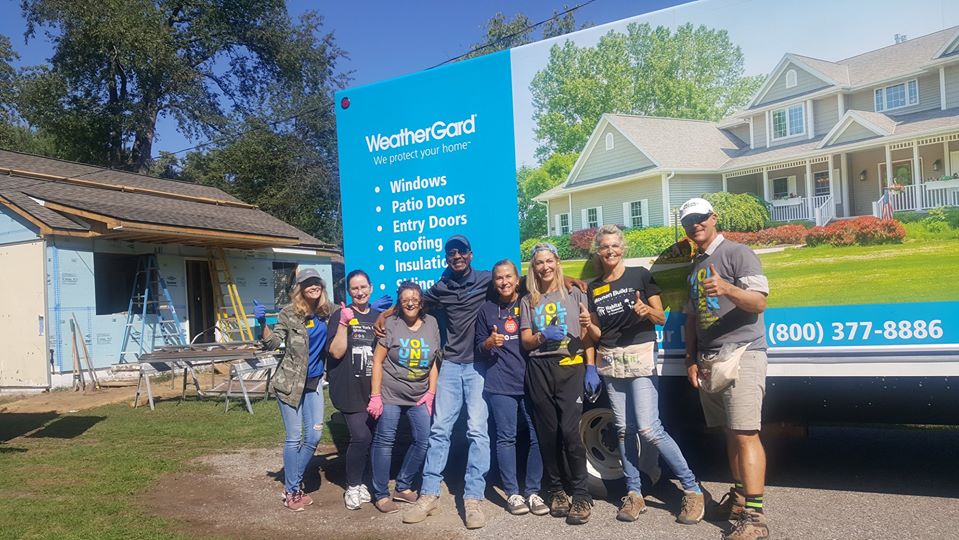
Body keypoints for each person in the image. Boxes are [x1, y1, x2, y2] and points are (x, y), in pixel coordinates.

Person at [584, 225, 705, 524]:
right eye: (604, 247)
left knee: (650, 429)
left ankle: (692, 489)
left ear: (622, 247)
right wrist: (588, 323)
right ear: (598, 251)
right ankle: (634, 493)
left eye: (614, 246)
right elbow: (601, 333)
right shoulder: (594, 287)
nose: (610, 251)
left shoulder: (639, 275)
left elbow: (661, 317)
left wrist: (645, 311)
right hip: (611, 359)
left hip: (639, 355)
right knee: (624, 430)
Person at [680, 198, 770, 540]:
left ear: (713, 218)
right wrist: (690, 358)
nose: (695, 225)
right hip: (710, 358)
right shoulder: (695, 265)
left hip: (742, 353)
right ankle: (740, 497)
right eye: (689, 221)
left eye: (701, 219)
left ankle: (755, 517)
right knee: (731, 433)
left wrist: (728, 288)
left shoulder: (738, 253)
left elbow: (759, 301)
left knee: (746, 432)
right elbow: (691, 318)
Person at [401, 235, 493, 530]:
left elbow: (524, 282)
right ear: (446, 258)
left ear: (470, 254)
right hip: (451, 366)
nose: (457, 256)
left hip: (478, 365)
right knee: (440, 431)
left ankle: (474, 498)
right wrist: (385, 316)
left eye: (461, 251)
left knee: (478, 431)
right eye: (451, 252)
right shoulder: (441, 287)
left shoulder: (486, 280)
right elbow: (413, 303)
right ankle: (428, 495)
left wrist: (570, 282)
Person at [519, 242, 599, 526]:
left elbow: (587, 334)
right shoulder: (528, 300)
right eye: (539, 262)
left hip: (570, 365)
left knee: (570, 432)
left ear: (556, 261)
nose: (544, 267)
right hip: (539, 367)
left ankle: (580, 494)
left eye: (549, 261)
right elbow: (526, 341)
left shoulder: (576, 292)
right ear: (533, 267)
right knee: (548, 433)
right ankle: (556, 491)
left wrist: (591, 367)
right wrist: (542, 336)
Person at [473, 259, 548, 517]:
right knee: (506, 438)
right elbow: (477, 349)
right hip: (500, 384)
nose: (504, 282)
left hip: (531, 381)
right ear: (494, 283)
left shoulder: (529, 302)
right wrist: (488, 343)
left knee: (537, 437)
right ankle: (513, 493)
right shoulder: (486, 310)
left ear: (518, 280)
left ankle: (534, 492)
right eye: (499, 278)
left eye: (508, 277)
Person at [256, 268, 333, 512]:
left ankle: (292, 483)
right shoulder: (288, 314)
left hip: (314, 383)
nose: (313, 286)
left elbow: (351, 316)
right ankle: (292, 490)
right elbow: (273, 343)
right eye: (308, 283)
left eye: (316, 282)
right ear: (300, 288)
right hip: (290, 384)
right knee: (294, 437)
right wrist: (262, 324)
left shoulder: (327, 311)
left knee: (314, 437)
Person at [367, 281, 440, 514]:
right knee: (385, 441)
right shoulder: (391, 323)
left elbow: (435, 362)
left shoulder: (432, 323)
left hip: (419, 395)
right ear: (400, 302)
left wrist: (431, 392)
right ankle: (380, 494)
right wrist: (376, 395)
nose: (410, 302)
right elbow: (378, 360)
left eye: (415, 299)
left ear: (421, 303)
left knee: (424, 439)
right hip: (390, 393)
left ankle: (403, 485)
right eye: (405, 299)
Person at [326, 270, 382, 510]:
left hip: (374, 389)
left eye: (363, 287)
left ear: (371, 288)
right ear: (349, 292)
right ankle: (352, 486)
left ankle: (363, 484)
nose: (359, 292)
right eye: (354, 289)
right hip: (349, 388)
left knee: (373, 439)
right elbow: (336, 352)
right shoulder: (341, 314)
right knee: (361, 436)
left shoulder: (380, 316)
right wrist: (342, 323)